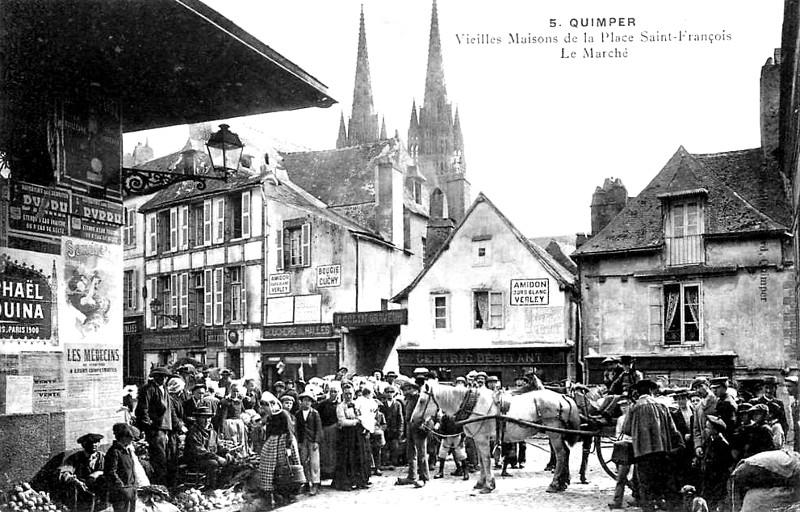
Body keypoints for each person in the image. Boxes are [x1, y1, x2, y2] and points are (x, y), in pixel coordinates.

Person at [622, 379, 683, 512]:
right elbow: (673, 429)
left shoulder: (634, 407)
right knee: (664, 479)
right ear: (651, 390)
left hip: (642, 452)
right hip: (662, 450)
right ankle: (668, 505)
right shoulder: (662, 405)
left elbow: (626, 429)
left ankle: (649, 507)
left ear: (638, 392)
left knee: (645, 482)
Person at [258, 391, 303, 507]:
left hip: (284, 441)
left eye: (266, 407)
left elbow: (289, 431)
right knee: (268, 467)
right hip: (273, 443)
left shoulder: (283, 414)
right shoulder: (270, 417)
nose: (266, 410)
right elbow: (268, 432)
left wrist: (288, 447)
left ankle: (288, 495)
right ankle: (269, 496)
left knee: (286, 468)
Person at [135, 366, 179, 485]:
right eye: (160, 376)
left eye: (165, 377)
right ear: (155, 377)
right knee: (159, 458)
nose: (163, 379)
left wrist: (178, 425)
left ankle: (170, 484)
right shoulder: (148, 389)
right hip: (156, 429)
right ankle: (160, 484)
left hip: (167, 428)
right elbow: (143, 409)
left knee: (171, 457)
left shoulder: (165, 389)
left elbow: (171, 410)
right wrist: (148, 426)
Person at [332, 381, 371, 491]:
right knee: (348, 458)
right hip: (346, 435)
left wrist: (363, 422)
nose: (348, 396)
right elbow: (342, 422)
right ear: (342, 395)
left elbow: (365, 416)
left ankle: (361, 481)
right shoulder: (340, 406)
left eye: (350, 393)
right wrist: (356, 421)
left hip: (358, 434)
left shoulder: (358, 404)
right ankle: (346, 483)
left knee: (360, 456)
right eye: (346, 394)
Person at [183, 405, 230, 487]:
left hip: (209, 456)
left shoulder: (212, 431)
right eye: (203, 417)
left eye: (208, 418)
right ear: (197, 418)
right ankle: (210, 487)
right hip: (195, 459)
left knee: (230, 459)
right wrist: (217, 457)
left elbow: (219, 445)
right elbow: (199, 451)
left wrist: (225, 453)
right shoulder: (193, 432)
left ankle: (222, 485)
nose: (207, 420)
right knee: (213, 463)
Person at [58, 433, 106, 512]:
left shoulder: (104, 457)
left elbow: (113, 471)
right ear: (83, 445)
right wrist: (75, 481)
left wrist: (98, 473)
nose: (94, 445)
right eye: (90, 443)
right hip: (80, 495)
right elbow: (65, 472)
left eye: (96, 442)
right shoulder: (75, 458)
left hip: (100, 497)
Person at [395, 381, 429, 488]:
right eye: (404, 389)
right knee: (410, 453)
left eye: (409, 389)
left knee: (421, 454)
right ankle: (411, 476)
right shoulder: (407, 400)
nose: (406, 391)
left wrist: (423, 424)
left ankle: (423, 477)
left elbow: (427, 412)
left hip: (419, 427)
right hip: (409, 427)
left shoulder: (421, 399)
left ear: (415, 389)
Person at [608, 395, 637, 509]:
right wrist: (619, 441)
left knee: (638, 475)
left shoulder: (636, 417)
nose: (624, 408)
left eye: (626, 405)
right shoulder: (620, 419)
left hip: (636, 447)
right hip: (625, 448)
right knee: (621, 475)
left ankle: (637, 497)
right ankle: (617, 500)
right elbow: (618, 434)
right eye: (622, 406)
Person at [700, 415, 733, 512]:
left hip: (717, 478)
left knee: (715, 501)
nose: (705, 430)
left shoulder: (722, 444)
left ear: (715, 430)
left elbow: (725, 463)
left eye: (708, 427)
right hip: (709, 477)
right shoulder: (710, 440)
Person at [104, 424, 140, 512]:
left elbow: (131, 469)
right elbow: (111, 472)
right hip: (121, 493)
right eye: (130, 437)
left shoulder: (126, 450)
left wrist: (134, 485)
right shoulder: (114, 452)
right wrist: (121, 487)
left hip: (131, 489)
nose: (132, 440)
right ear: (123, 437)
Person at [295, 391, 323, 495]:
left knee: (314, 462)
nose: (306, 403)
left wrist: (316, 441)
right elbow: (296, 428)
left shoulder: (314, 413)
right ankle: (306, 482)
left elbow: (318, 428)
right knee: (303, 461)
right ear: (301, 402)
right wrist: (298, 441)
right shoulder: (298, 414)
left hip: (312, 440)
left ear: (311, 402)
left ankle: (315, 483)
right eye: (304, 400)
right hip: (303, 440)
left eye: (309, 401)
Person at [215, 383, 250, 456]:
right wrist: (221, 430)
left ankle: (242, 455)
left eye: (237, 391)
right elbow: (223, 416)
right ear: (231, 391)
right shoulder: (226, 401)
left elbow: (243, 411)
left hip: (239, 423)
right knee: (232, 441)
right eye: (234, 391)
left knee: (241, 440)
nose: (236, 393)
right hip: (230, 424)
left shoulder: (239, 401)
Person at [432, 413, 469, 481]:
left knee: (461, 454)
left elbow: (463, 427)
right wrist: (440, 433)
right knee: (442, 453)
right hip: (447, 436)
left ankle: (465, 472)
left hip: (457, 436)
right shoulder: (445, 416)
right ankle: (440, 472)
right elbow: (442, 427)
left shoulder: (459, 416)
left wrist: (462, 439)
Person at [315, 382, 341, 479]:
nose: (334, 393)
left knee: (334, 452)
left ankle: (333, 473)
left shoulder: (339, 405)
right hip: (325, 430)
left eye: (335, 392)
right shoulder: (323, 404)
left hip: (336, 431)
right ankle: (325, 473)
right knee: (325, 452)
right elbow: (318, 417)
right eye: (332, 391)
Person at [691, 377, 718, 461]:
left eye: (700, 386)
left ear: (707, 385)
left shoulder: (717, 401)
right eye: (696, 388)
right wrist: (698, 446)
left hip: (718, 444)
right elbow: (696, 428)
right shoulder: (698, 407)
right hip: (704, 446)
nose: (698, 390)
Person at [380, 386, 404, 469]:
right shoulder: (382, 404)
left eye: (391, 392)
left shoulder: (397, 404)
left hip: (394, 429)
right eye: (388, 392)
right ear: (385, 394)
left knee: (395, 447)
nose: (389, 394)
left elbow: (400, 418)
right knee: (384, 446)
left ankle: (393, 463)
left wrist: (400, 430)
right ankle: (384, 462)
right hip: (385, 429)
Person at [785, 376, 800, 452]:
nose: (787, 389)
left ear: (797, 386)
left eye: (790, 386)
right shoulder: (793, 404)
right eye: (786, 386)